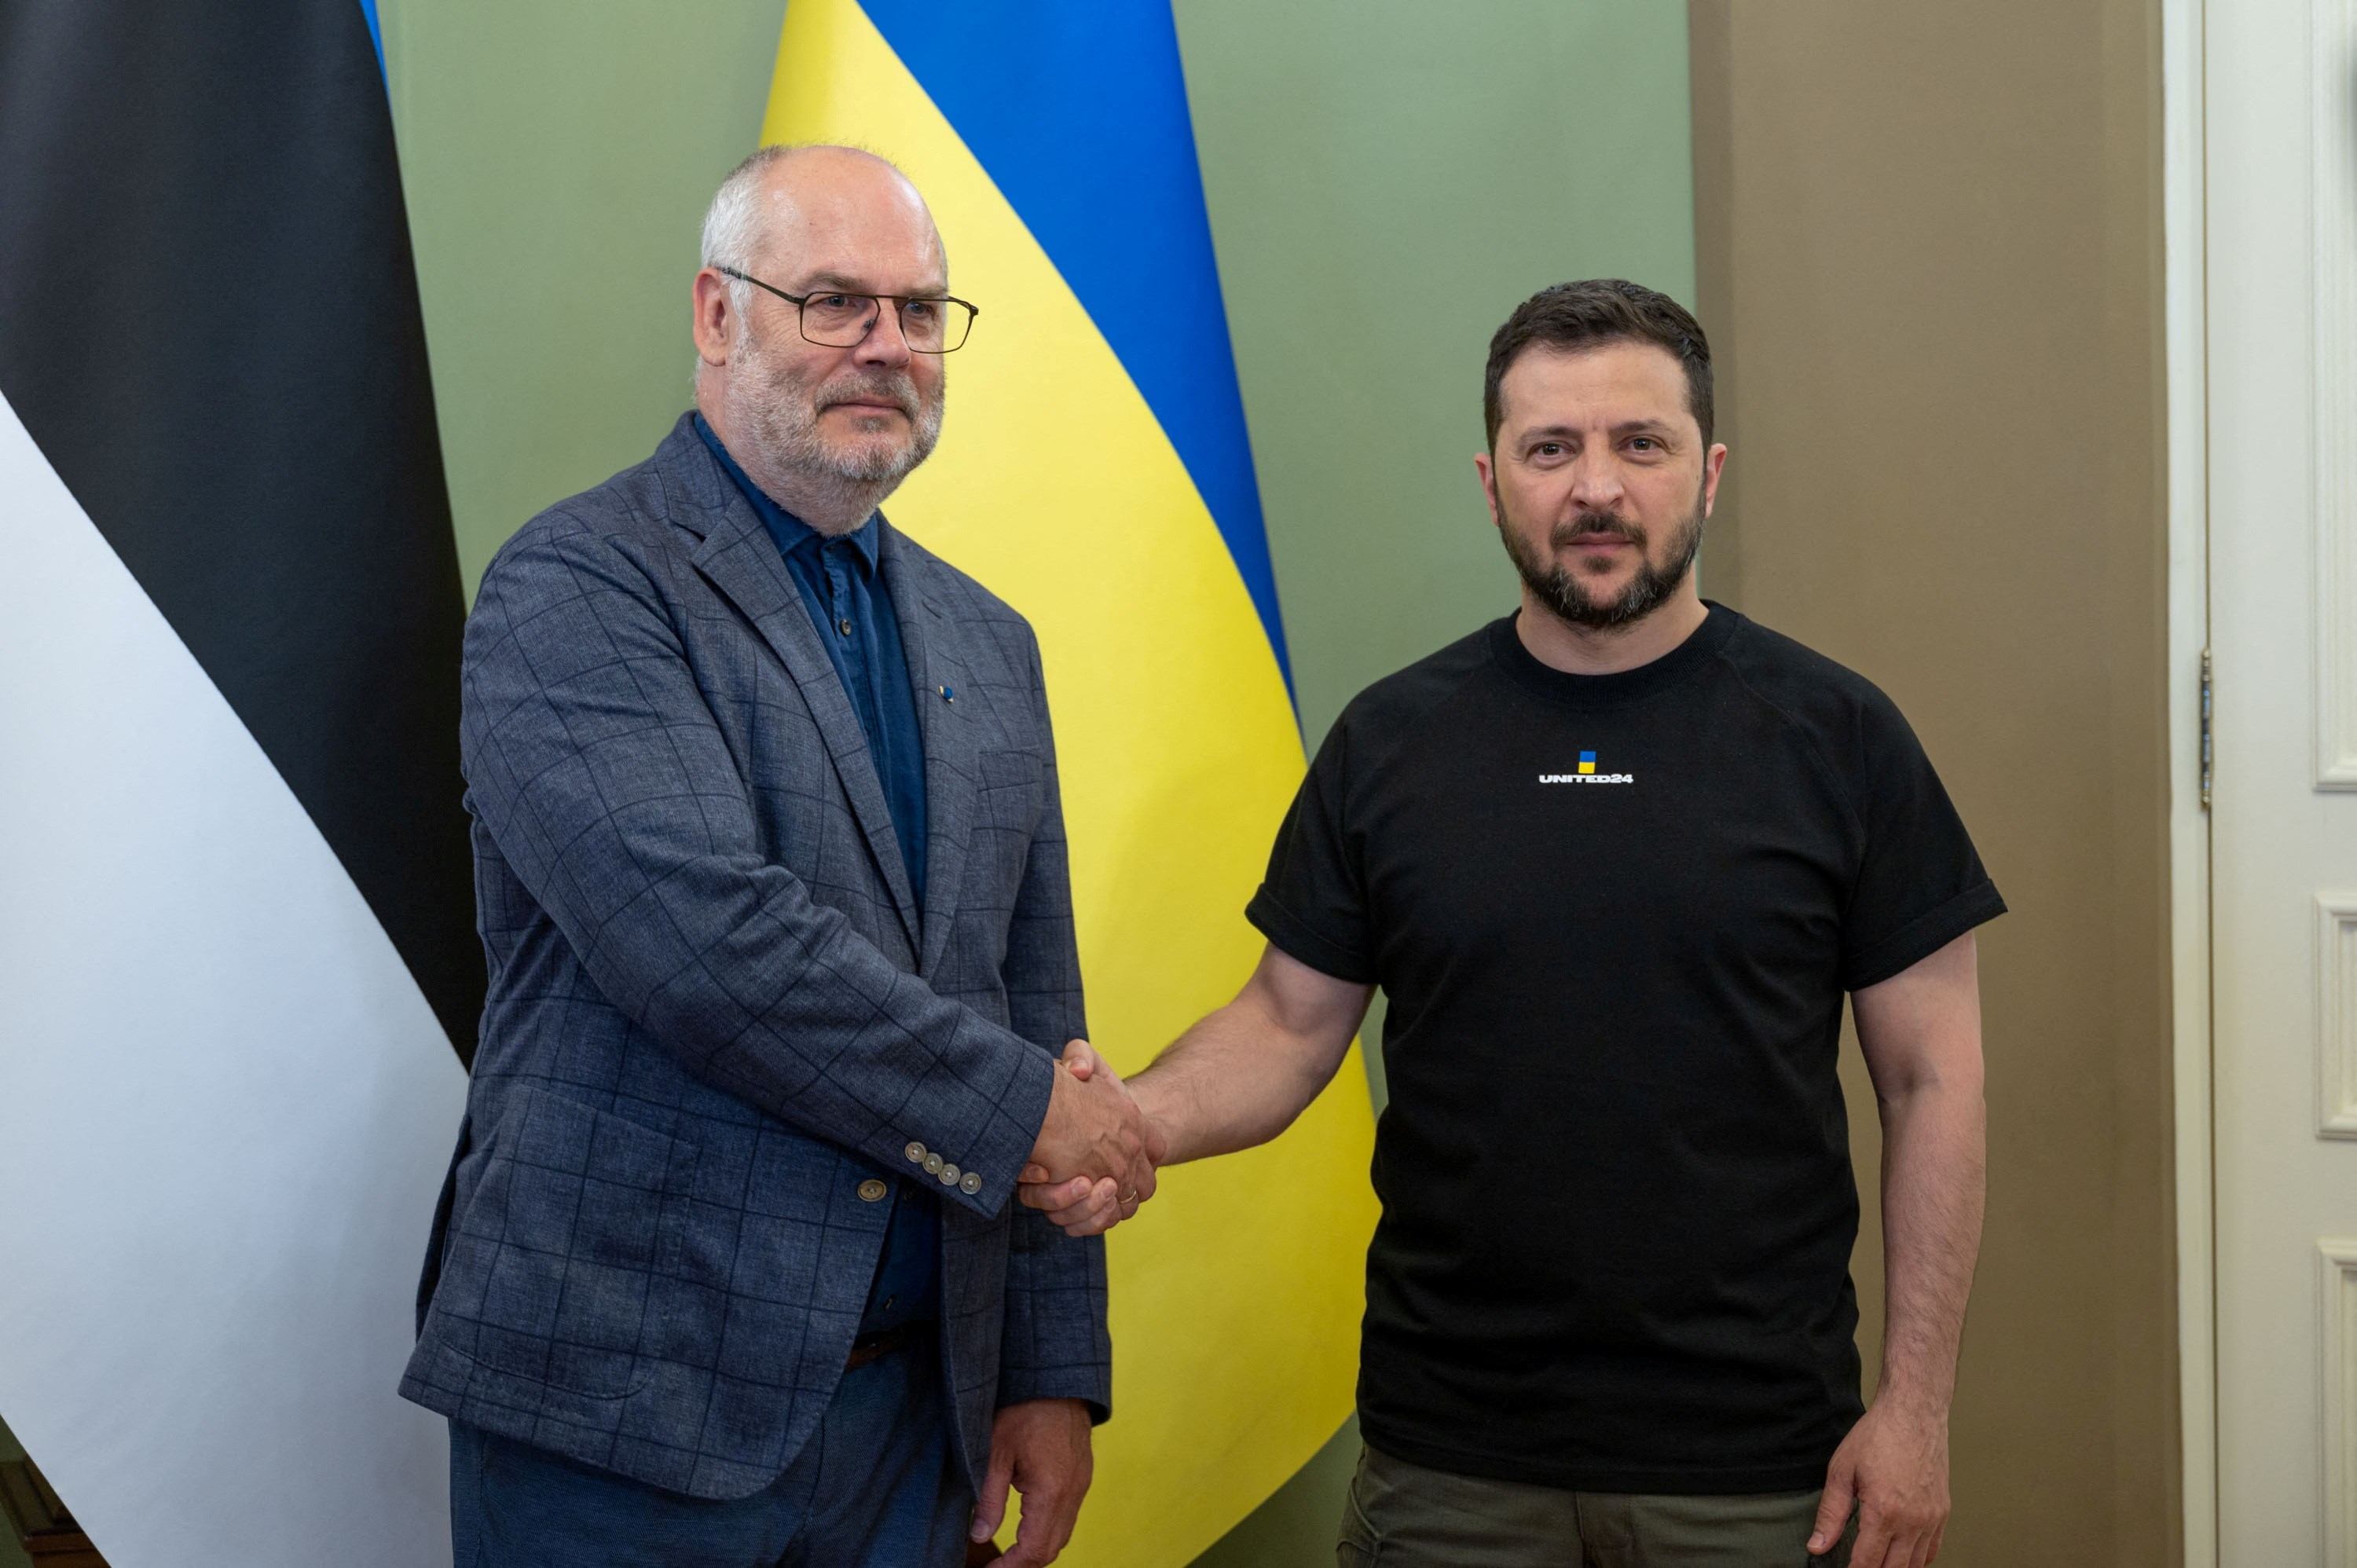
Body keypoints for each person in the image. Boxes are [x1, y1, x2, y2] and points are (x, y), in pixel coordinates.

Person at [1027, 280, 2000, 1568]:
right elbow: (1284, 1025)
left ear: (1708, 474)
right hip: (1450, 1468)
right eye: (1553, 449)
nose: (1596, 488)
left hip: (1761, 1467)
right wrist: (1134, 1120)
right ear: (1494, 483)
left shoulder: (1841, 739)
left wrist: (1918, 1411)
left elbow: (1936, 1078)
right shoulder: (1393, 742)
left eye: (1638, 444)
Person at [400, 144, 1157, 1568]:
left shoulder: (993, 643)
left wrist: (1051, 1369)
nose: (886, 346)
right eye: (833, 302)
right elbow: (707, 950)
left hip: (916, 1428)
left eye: (920, 312)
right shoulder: (577, 584)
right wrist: (1023, 1122)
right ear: (715, 315)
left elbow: (1039, 1013)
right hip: (625, 1421)